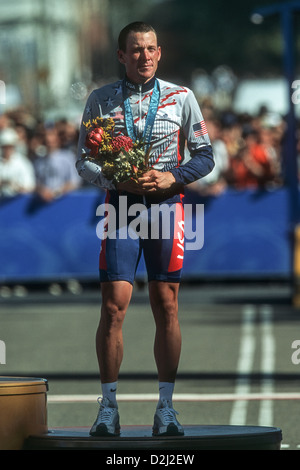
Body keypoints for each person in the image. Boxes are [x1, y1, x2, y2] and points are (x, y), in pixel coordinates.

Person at [76, 22, 214, 437]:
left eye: (151, 49)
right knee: (114, 306)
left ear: (160, 52)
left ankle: (166, 408)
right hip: (120, 208)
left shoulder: (181, 97)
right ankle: (108, 407)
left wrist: (174, 178)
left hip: (166, 208)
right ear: (121, 56)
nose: (144, 57)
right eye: (135, 50)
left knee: (166, 305)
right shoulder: (100, 100)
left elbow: (206, 156)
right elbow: (84, 161)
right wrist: (113, 181)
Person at [34, 127, 81, 202]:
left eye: (52, 139)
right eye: (46, 140)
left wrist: (57, 192)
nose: (49, 142)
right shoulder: (39, 161)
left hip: (65, 201)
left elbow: (74, 181)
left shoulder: (68, 157)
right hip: (43, 203)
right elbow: (36, 182)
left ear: (58, 140)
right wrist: (42, 190)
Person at [0, 127, 36, 197]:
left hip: (17, 202)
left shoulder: (23, 163)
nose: (7, 149)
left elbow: (30, 187)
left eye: (10, 146)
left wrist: (16, 186)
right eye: (5, 146)